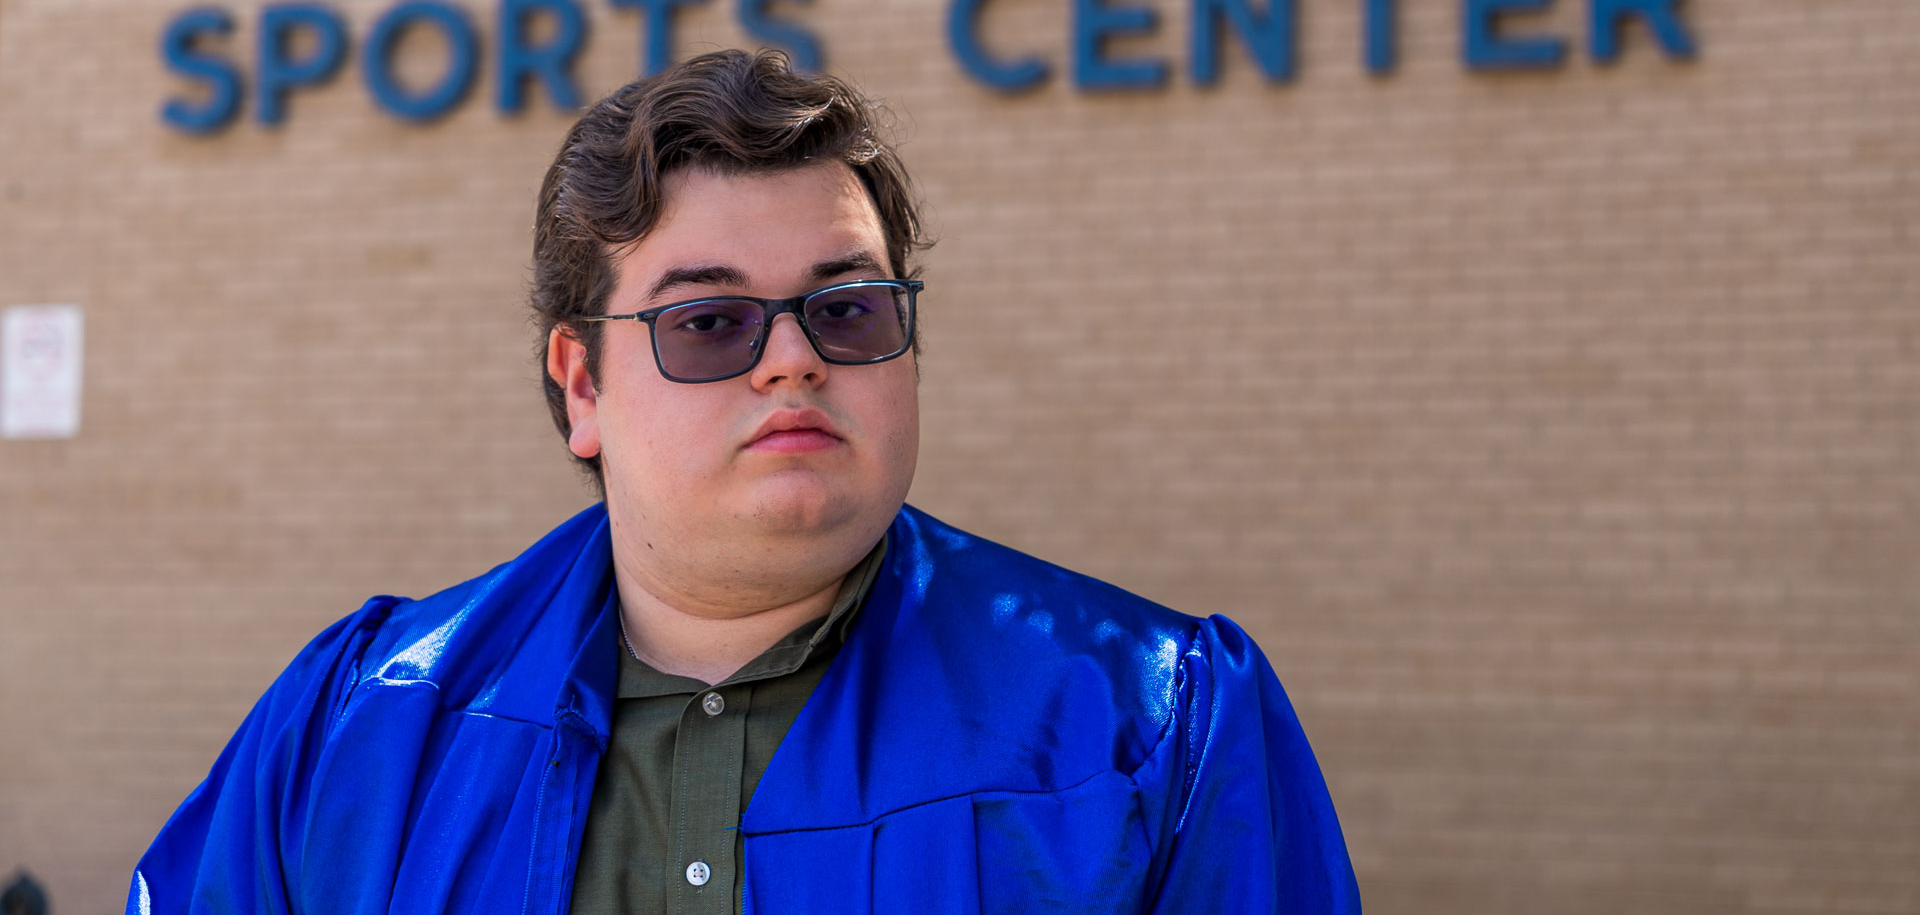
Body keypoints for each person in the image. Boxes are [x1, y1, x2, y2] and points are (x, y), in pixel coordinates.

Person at [130, 49, 1361, 914]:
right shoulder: (360, 731)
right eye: (711, 321)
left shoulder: (1148, 727)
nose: (792, 360)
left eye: (846, 307)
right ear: (584, 385)